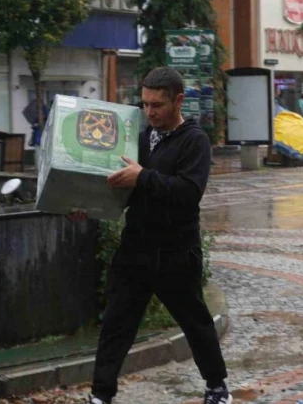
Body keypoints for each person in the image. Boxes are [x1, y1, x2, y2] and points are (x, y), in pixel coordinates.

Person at [86, 67, 231, 404]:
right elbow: (124, 190)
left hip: (176, 251)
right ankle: (100, 395)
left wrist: (143, 177)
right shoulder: (139, 139)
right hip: (135, 247)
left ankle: (217, 387)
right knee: (116, 324)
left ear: (178, 101)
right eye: (145, 104)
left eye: (157, 105)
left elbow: (188, 192)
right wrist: (87, 203)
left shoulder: (195, 141)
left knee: (195, 322)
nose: (149, 112)